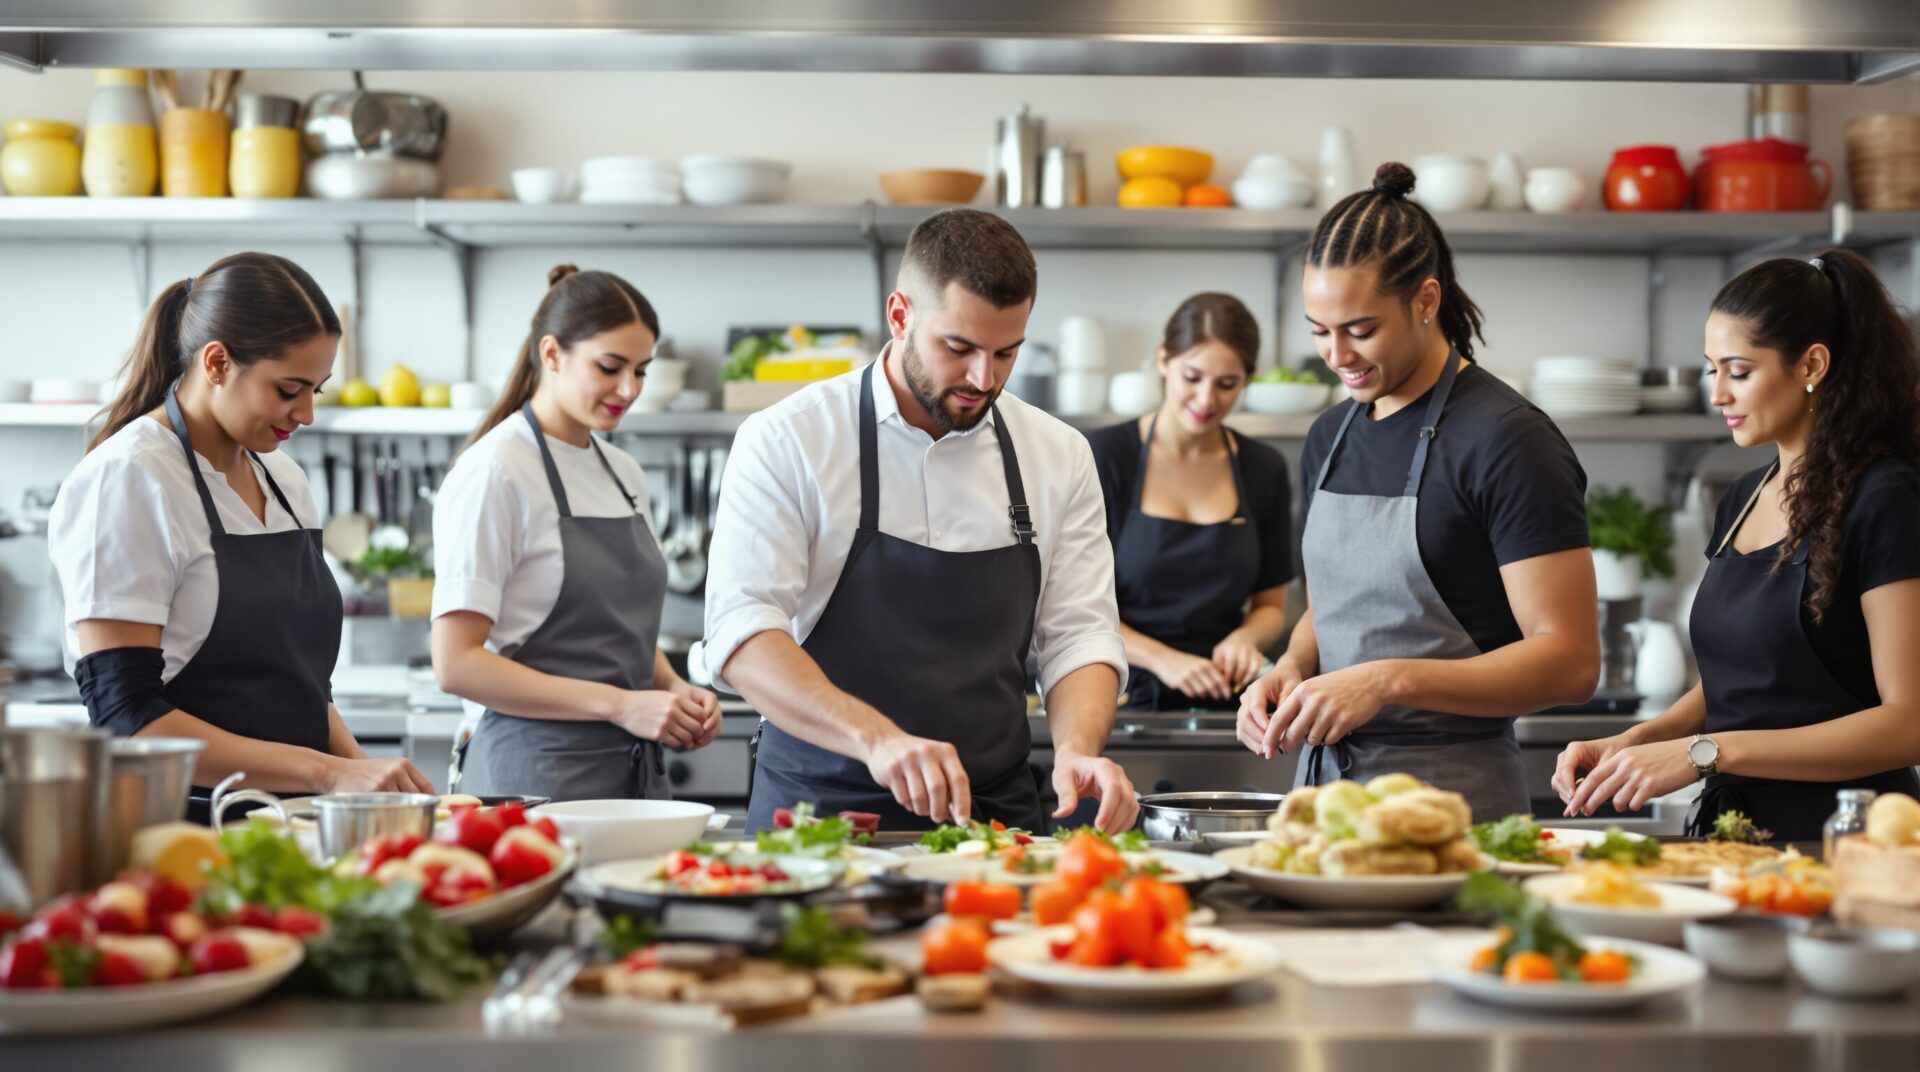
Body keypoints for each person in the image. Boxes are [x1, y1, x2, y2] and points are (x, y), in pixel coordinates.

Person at [705, 208, 1137, 834]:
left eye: (1006, 353)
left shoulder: (1059, 452)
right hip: (820, 817)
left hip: (993, 821)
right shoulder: (788, 438)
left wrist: (1077, 748)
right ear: (900, 316)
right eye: (958, 348)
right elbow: (743, 631)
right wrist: (876, 739)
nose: (982, 379)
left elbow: (1080, 636)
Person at [1235, 162, 1601, 822]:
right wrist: (1289, 666)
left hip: (1455, 804)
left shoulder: (1507, 440)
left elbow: (1570, 661)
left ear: (1425, 301)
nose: (1337, 355)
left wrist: (1388, 678)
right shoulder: (1330, 435)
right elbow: (1338, 608)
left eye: (1361, 328)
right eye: (1320, 331)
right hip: (1326, 804)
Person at [1556, 249, 1920, 839]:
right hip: (1735, 835)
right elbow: (1736, 681)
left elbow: (1909, 723)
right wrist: (1634, 742)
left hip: (1848, 840)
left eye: (1739, 371)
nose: (1718, 394)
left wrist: (1706, 753)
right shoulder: (1742, 497)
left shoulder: (1885, 498)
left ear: (1812, 365)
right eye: (1711, 370)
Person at [51, 252, 432, 817]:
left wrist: (371, 782)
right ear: (218, 363)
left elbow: (298, 686)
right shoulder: (130, 478)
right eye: (288, 389)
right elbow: (126, 717)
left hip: (293, 823)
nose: (305, 413)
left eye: (317, 391)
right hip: (182, 824)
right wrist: (329, 773)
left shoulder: (283, 478)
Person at [431, 265, 719, 801]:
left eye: (641, 370)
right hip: (530, 782)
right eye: (610, 367)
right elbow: (456, 664)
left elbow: (621, 633)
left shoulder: (623, 472)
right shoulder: (495, 471)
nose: (629, 389)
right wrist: (622, 704)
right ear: (552, 354)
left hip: (632, 777)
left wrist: (674, 689)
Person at [1085, 293, 1293, 710]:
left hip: (1229, 697)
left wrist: (1245, 638)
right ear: (1163, 360)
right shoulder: (1105, 457)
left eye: (1227, 384)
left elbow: (1271, 605)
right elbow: (1075, 608)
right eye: (1192, 377)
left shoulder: (1263, 468)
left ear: (1247, 380)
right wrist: (1165, 661)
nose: (1206, 399)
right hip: (1119, 690)